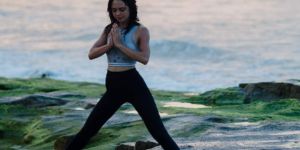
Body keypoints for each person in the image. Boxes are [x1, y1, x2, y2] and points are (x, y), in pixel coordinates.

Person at [65, 0, 180, 149]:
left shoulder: (141, 30)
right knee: (88, 130)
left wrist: (120, 45)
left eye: (122, 9)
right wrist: (109, 45)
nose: (118, 14)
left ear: (131, 9)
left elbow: (144, 58)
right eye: (114, 10)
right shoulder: (109, 30)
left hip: (133, 85)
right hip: (113, 87)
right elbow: (91, 54)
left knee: (158, 132)